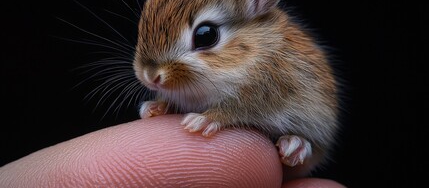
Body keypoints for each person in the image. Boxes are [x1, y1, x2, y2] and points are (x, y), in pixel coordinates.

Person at [0, 115, 344, 187]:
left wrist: (221, 115)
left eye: (205, 39)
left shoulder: (268, 60)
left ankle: (296, 144)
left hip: (295, 130)